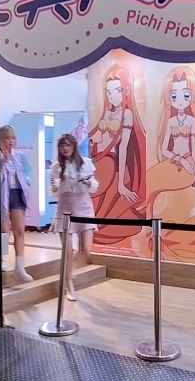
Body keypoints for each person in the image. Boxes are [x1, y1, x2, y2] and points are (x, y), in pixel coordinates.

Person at [137, 65, 195, 263]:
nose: (180, 100)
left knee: (153, 185)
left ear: (192, 97)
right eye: (174, 96)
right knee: (150, 182)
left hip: (188, 166)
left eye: (185, 95)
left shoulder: (193, 122)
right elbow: (164, 149)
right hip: (175, 162)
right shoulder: (171, 122)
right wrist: (178, 159)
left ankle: (150, 225)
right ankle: (150, 227)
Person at [89, 62, 146, 249]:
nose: (113, 96)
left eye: (118, 90)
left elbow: (123, 148)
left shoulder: (127, 114)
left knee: (109, 212)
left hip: (112, 167)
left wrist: (121, 182)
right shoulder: (107, 113)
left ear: (127, 90)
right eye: (109, 92)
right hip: (99, 164)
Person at [49, 134, 98, 301]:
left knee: (86, 250)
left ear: (74, 146)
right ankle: (68, 282)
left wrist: (89, 183)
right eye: (62, 146)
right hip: (65, 209)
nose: (65, 148)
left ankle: (70, 271)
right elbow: (54, 191)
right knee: (68, 252)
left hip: (84, 207)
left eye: (68, 145)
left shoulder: (86, 163)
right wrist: (55, 186)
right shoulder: (56, 167)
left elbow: (95, 185)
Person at [0, 125, 33, 285]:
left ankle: (20, 267)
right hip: (2, 195)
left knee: (19, 231)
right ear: (0, 139)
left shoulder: (20, 156)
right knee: (4, 231)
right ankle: (2, 260)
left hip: (17, 194)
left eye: (13, 138)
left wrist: (26, 181)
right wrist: (2, 165)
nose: (11, 141)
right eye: (7, 138)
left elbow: (28, 173)